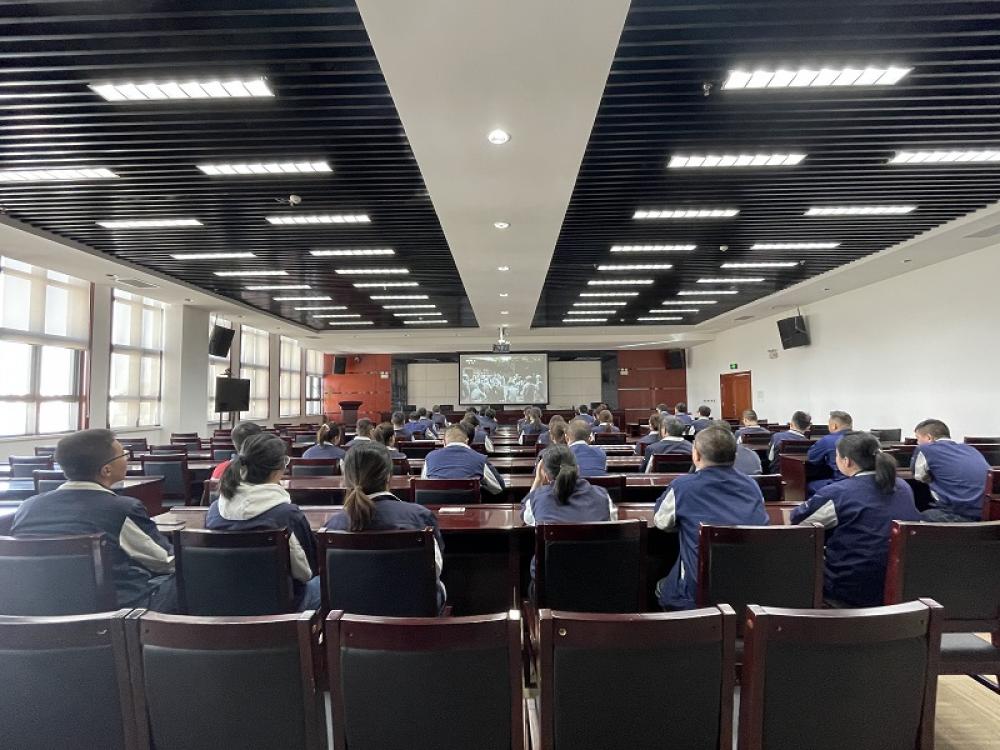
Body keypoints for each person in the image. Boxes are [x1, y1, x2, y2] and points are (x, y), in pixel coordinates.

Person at [11, 429, 177, 611]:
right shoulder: (122, 509)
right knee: (187, 574)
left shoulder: (27, 507)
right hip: (112, 611)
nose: (127, 459)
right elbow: (165, 561)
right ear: (106, 470)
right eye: (123, 455)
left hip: (39, 609)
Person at [791, 431, 920, 607]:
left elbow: (799, 523)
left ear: (846, 461)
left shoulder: (837, 493)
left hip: (852, 589)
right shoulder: (903, 486)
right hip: (900, 583)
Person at [653, 426, 768, 610]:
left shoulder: (682, 487)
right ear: (735, 457)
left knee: (662, 582)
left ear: (696, 456)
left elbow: (661, 522)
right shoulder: (752, 486)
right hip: (747, 590)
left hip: (695, 596)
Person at [323, 442, 446, 611]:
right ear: (388, 476)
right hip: (413, 613)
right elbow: (435, 569)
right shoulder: (420, 517)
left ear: (346, 477)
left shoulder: (332, 526)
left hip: (352, 616)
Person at [206, 433, 320, 611]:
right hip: (279, 607)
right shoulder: (288, 515)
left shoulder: (215, 510)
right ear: (278, 470)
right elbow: (310, 568)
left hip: (227, 600)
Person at [521, 445, 618, 585]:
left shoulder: (537, 498)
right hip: (598, 582)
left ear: (546, 475)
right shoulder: (603, 496)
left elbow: (526, 516)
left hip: (551, 586)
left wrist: (537, 480)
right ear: (577, 469)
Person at [912, 419, 990, 522]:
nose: (917, 443)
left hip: (959, 515)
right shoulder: (971, 449)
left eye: (918, 439)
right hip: (987, 514)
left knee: (915, 517)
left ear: (929, 438)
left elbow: (919, 477)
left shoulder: (925, 449)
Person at [422, 425, 505, 495]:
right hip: (471, 508)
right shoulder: (480, 458)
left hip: (435, 507)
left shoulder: (430, 457)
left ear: (444, 442)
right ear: (467, 441)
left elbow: (423, 486)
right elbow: (499, 487)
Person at [806, 411, 853, 495]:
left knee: (808, 486)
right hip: (863, 481)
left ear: (834, 426)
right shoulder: (863, 438)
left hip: (840, 482)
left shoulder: (827, 440)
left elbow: (812, 458)